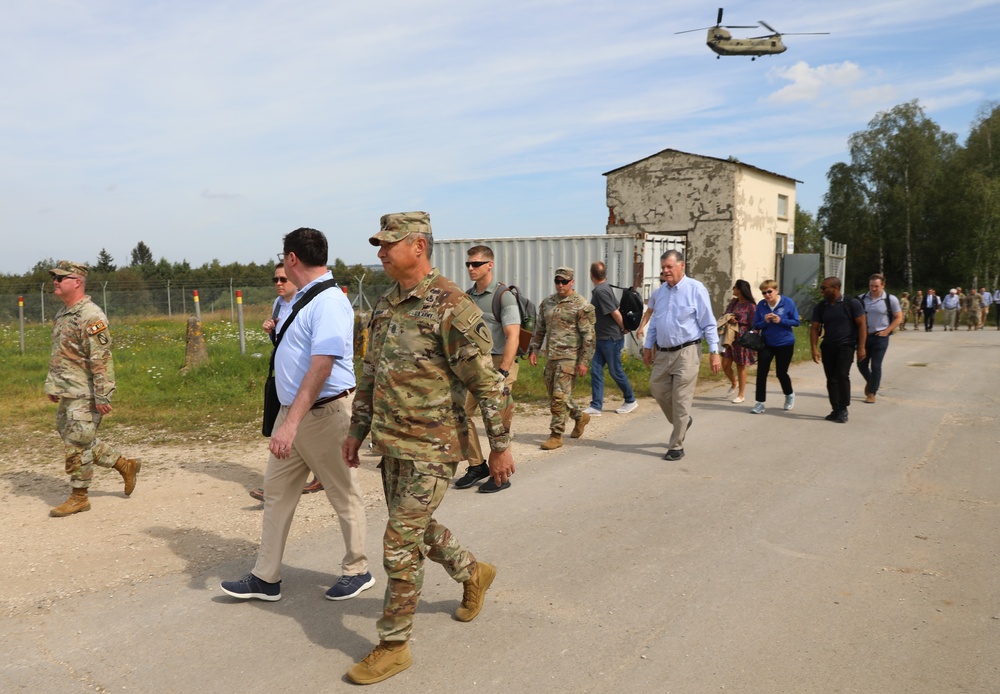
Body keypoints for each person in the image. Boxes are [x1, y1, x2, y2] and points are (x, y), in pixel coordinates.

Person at [342, 211, 515, 684]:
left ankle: (393, 644)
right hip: (392, 443)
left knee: (398, 544)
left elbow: (488, 383)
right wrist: (357, 431)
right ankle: (472, 571)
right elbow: (371, 374)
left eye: (389, 245)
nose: (380, 253)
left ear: (418, 246)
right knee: (414, 530)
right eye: (379, 245)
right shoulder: (385, 304)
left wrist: (499, 446)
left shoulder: (451, 306)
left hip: (434, 445)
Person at [221, 228, 372, 603]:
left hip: (324, 415)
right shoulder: (298, 299)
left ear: (292, 259)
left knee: (343, 495)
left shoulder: (330, 302)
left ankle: (358, 570)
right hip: (294, 415)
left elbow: (322, 365)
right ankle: (265, 577)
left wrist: (289, 423)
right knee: (276, 494)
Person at [44, 261, 140, 517]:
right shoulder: (65, 313)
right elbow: (62, 354)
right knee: (75, 437)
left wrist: (102, 394)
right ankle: (124, 464)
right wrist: (53, 385)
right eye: (54, 277)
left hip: (85, 393)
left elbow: (101, 358)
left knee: (76, 443)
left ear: (77, 282)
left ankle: (79, 497)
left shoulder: (91, 316)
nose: (55, 281)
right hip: (68, 389)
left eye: (61, 277)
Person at [248, 262, 323, 502]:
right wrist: (272, 332)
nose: (279, 284)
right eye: (275, 280)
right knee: (291, 434)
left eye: (283, 279)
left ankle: (316, 478)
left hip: (307, 383)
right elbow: (281, 344)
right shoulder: (278, 305)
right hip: (286, 383)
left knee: (300, 434)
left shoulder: (309, 302)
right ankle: (278, 488)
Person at [642, 250, 721, 461]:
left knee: (681, 399)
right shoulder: (660, 294)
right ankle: (683, 421)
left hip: (687, 352)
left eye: (669, 267)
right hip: (663, 353)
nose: (665, 271)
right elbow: (655, 324)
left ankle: (676, 445)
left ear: (681, 265)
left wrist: (715, 352)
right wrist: (648, 347)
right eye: (663, 268)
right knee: (657, 389)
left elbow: (708, 322)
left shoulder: (695, 289)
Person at [454, 244, 519, 493]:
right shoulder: (468, 296)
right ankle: (477, 465)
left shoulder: (504, 296)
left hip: (498, 364)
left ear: (489, 265)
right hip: (474, 366)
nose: (471, 268)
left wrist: (502, 371)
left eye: (476, 264)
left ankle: (500, 473)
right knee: (460, 412)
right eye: (468, 264)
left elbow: (512, 335)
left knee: (498, 420)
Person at [528, 266, 596, 450]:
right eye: (557, 281)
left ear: (572, 282)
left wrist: (584, 362)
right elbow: (540, 329)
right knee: (557, 396)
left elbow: (589, 337)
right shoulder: (548, 303)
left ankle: (556, 435)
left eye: (564, 282)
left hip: (570, 358)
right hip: (551, 357)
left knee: (559, 397)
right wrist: (534, 349)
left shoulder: (581, 305)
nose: (560, 285)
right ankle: (580, 417)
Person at [584, 261, 638, 416]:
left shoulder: (601, 291)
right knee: (596, 370)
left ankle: (630, 399)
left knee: (615, 371)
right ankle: (596, 406)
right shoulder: (604, 288)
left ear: (591, 274)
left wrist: (624, 327)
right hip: (602, 338)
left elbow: (614, 312)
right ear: (604, 274)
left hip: (610, 338)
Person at [810, 276, 867, 423]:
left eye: (824, 288)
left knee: (842, 375)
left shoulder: (851, 304)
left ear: (835, 288)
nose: (821, 290)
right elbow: (815, 328)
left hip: (846, 345)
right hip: (828, 346)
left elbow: (862, 325)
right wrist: (814, 348)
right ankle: (835, 409)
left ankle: (843, 409)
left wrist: (861, 347)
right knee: (831, 379)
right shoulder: (821, 306)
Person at [749, 279, 799, 414]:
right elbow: (756, 325)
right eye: (764, 293)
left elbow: (796, 322)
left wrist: (780, 320)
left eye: (769, 291)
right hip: (767, 343)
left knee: (781, 373)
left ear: (776, 290)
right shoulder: (761, 305)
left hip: (785, 343)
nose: (767, 295)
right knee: (761, 372)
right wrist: (764, 321)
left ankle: (789, 395)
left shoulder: (787, 302)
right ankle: (760, 403)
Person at [856, 273, 903, 404]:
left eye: (876, 286)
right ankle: (871, 381)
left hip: (880, 337)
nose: (873, 289)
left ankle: (872, 393)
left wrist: (887, 331)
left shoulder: (890, 299)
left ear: (883, 285)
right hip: (864, 337)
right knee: (861, 364)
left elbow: (898, 317)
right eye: (871, 286)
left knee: (876, 365)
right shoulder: (861, 299)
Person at [719, 279, 756, 404]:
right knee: (725, 364)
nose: (733, 289)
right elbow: (726, 314)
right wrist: (730, 318)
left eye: (735, 287)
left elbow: (753, 324)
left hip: (742, 337)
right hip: (731, 336)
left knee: (741, 365)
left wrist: (750, 339)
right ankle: (734, 382)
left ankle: (741, 394)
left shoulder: (751, 306)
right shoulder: (734, 302)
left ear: (740, 290)